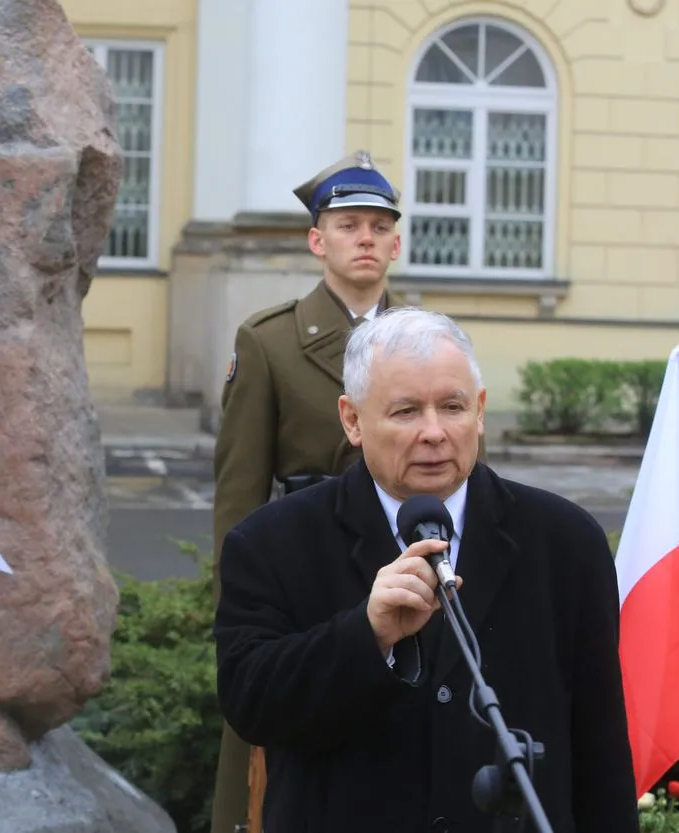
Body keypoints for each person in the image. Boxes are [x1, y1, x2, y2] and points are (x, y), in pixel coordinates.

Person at [212, 307, 641, 832]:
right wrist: (366, 634)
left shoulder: (566, 542)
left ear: (480, 411)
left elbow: (601, 749)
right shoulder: (271, 542)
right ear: (352, 420)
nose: (434, 432)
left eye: (453, 407)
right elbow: (251, 705)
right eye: (406, 411)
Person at [208, 149, 405, 833]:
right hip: (305, 572)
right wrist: (235, 606)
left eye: (380, 227)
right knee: (282, 767)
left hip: (405, 564)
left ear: (396, 243)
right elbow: (239, 489)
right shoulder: (270, 342)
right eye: (349, 226)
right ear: (318, 241)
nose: (366, 239)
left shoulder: (427, 341)